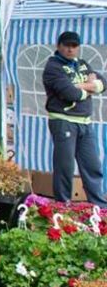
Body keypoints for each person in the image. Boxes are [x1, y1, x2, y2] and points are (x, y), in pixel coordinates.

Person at [42, 30, 107, 207]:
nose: (70, 49)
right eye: (67, 46)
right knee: (65, 167)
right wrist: (90, 86)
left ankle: (99, 207)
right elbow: (71, 93)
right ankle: (63, 205)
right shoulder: (53, 67)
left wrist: (83, 85)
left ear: (78, 47)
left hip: (85, 122)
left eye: (74, 46)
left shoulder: (83, 64)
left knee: (92, 165)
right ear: (59, 46)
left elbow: (103, 84)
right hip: (64, 121)